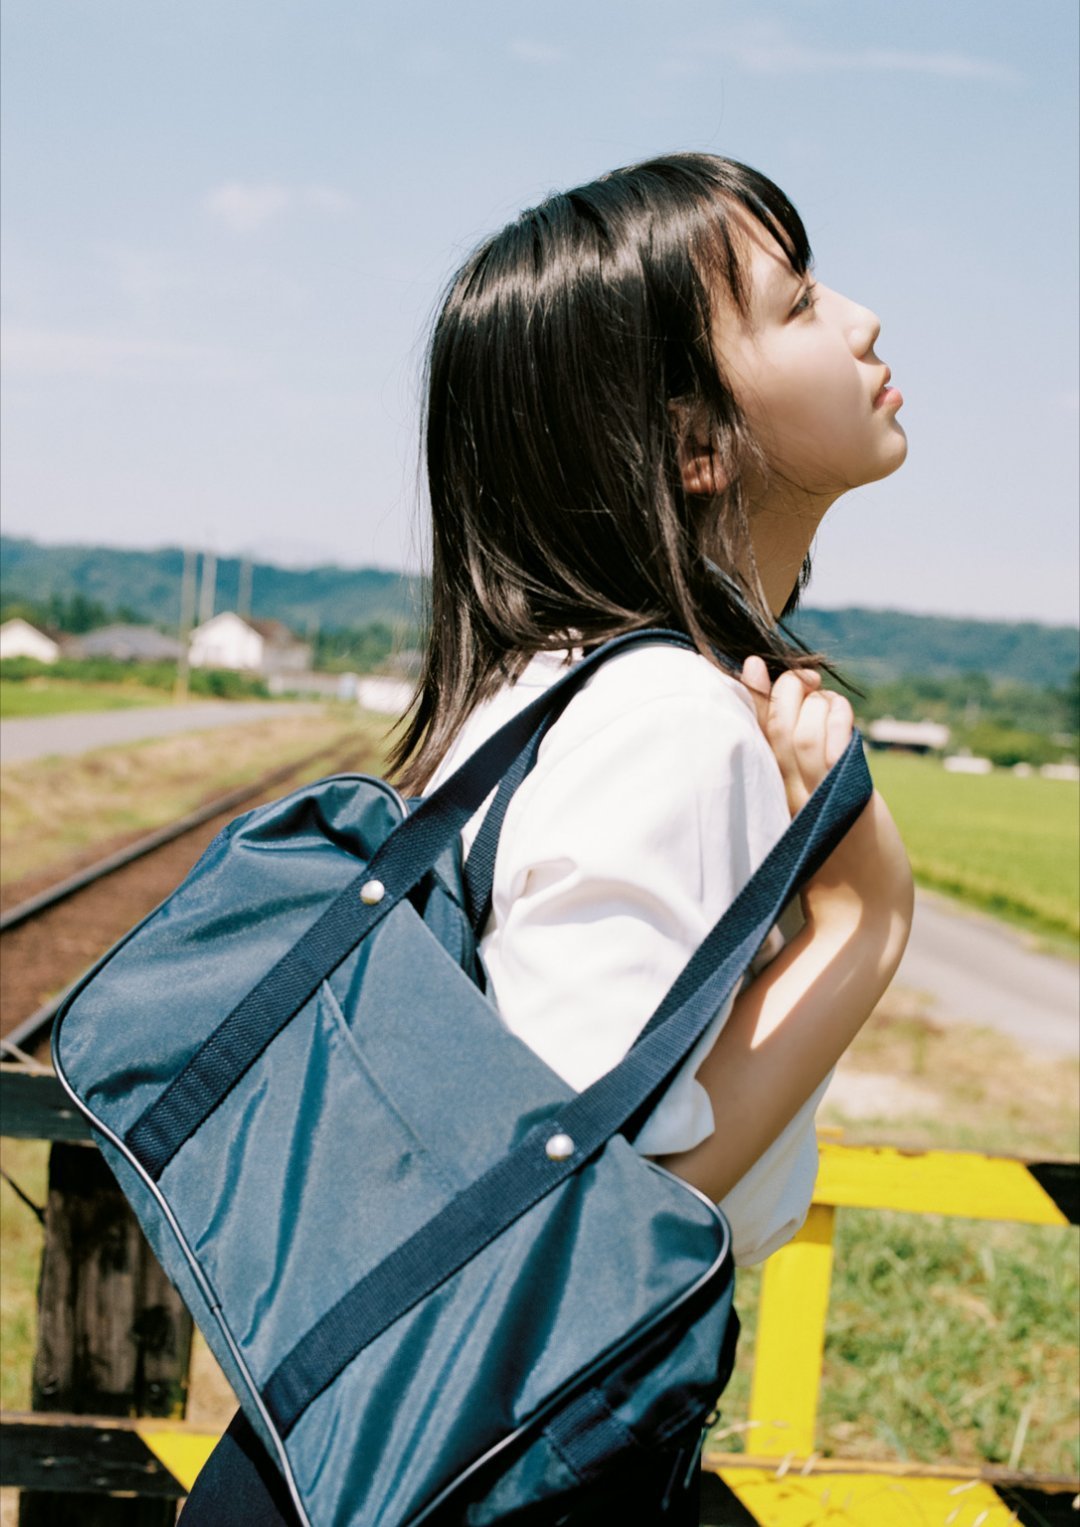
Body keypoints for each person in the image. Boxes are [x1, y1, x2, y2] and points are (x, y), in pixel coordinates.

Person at [180, 151, 914, 1525]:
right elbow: (574, 1231)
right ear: (694, 445)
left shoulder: (556, 689)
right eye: (801, 303)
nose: (864, 320)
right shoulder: (671, 722)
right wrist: (867, 914)